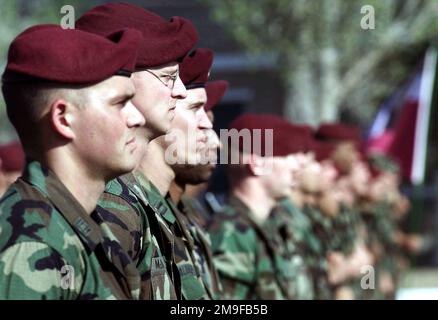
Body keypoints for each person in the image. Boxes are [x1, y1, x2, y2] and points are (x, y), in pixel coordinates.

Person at [0, 24, 145, 299]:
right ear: (63, 118)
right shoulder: (32, 245)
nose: (137, 118)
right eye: (120, 103)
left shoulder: (85, 225)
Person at [76, 2, 199, 299]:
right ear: (122, 81)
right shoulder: (108, 202)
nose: (181, 91)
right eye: (169, 77)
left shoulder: (137, 198)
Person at [208, 113, 296, 299]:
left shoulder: (266, 225)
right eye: (286, 154)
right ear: (256, 164)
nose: (296, 166)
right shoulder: (231, 233)